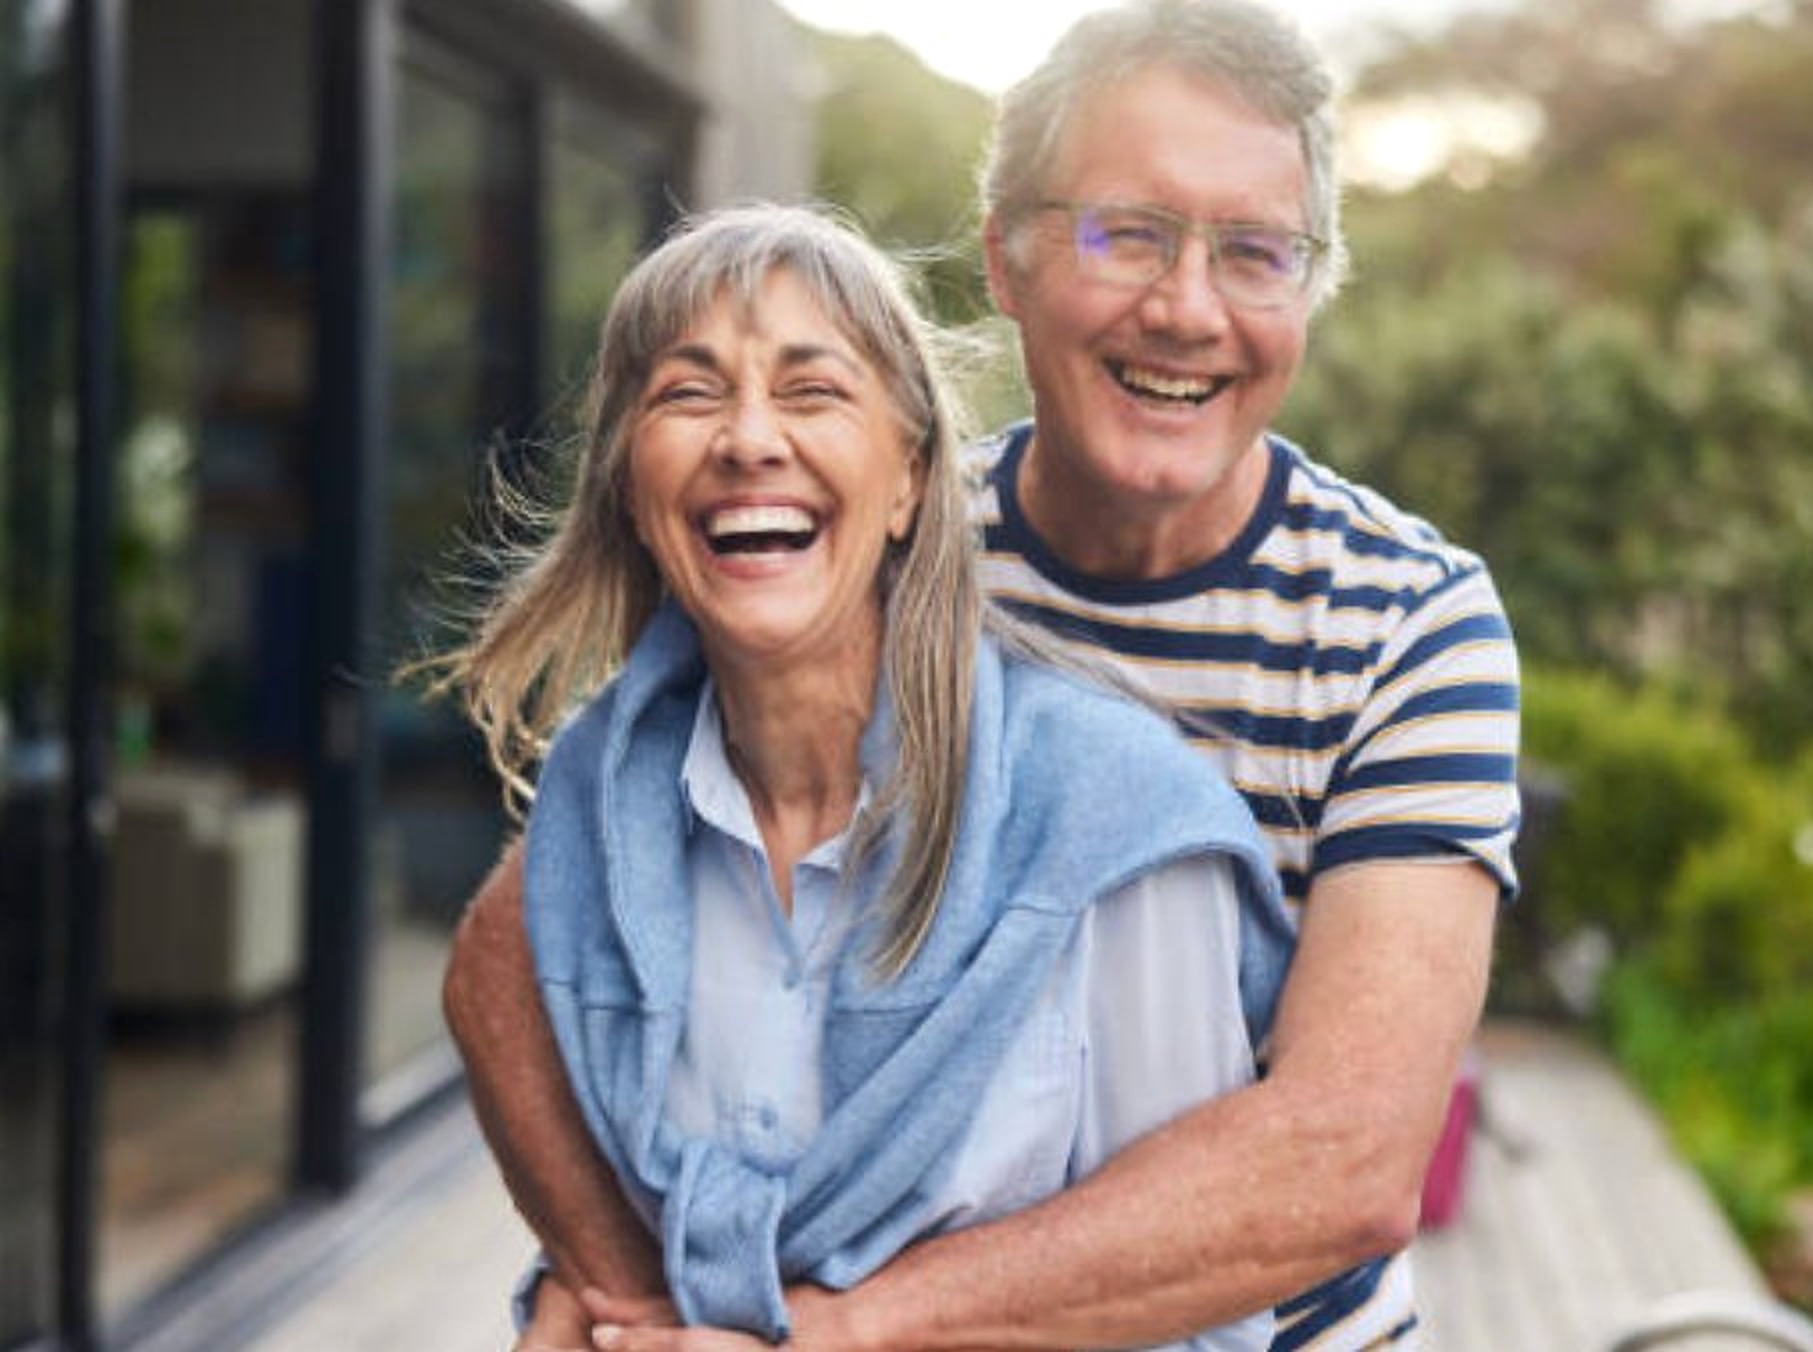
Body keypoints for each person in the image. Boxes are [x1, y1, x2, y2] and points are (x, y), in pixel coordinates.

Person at [443, 2, 1521, 1348]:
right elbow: (519, 934)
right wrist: (617, 1282)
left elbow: (1347, 1164)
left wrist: (842, 1335)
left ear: (1305, 293)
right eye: (1127, 232)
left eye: (1255, 254)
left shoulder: (1407, 620)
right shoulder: (863, 533)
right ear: (1006, 258)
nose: (1185, 309)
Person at [432, 201, 1298, 1350]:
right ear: (634, 495)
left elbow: (1202, 1323)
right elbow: (489, 981)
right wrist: (600, 1286)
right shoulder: (603, 815)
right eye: (689, 393)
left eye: (811, 391)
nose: (748, 438)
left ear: (907, 483)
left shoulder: (1106, 821)